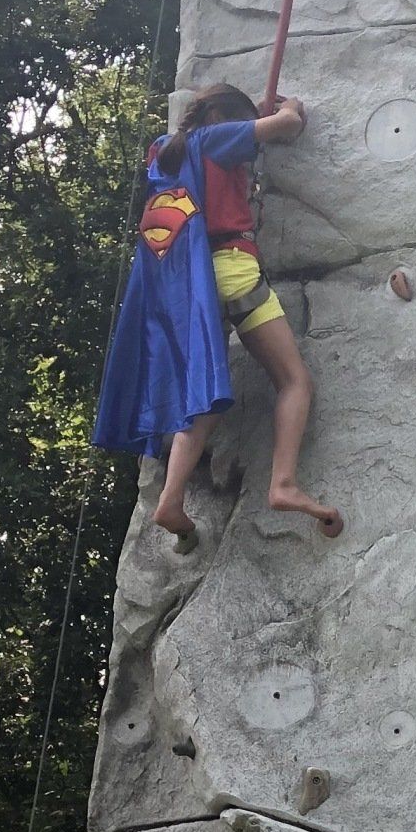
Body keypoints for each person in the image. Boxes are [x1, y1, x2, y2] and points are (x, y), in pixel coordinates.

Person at [93, 81, 341, 542]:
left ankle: (170, 499)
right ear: (219, 118)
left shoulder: (162, 154)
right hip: (233, 270)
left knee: (202, 396)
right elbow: (288, 125)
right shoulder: (215, 138)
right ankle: (283, 482)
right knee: (293, 380)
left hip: (190, 285)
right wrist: (291, 105)